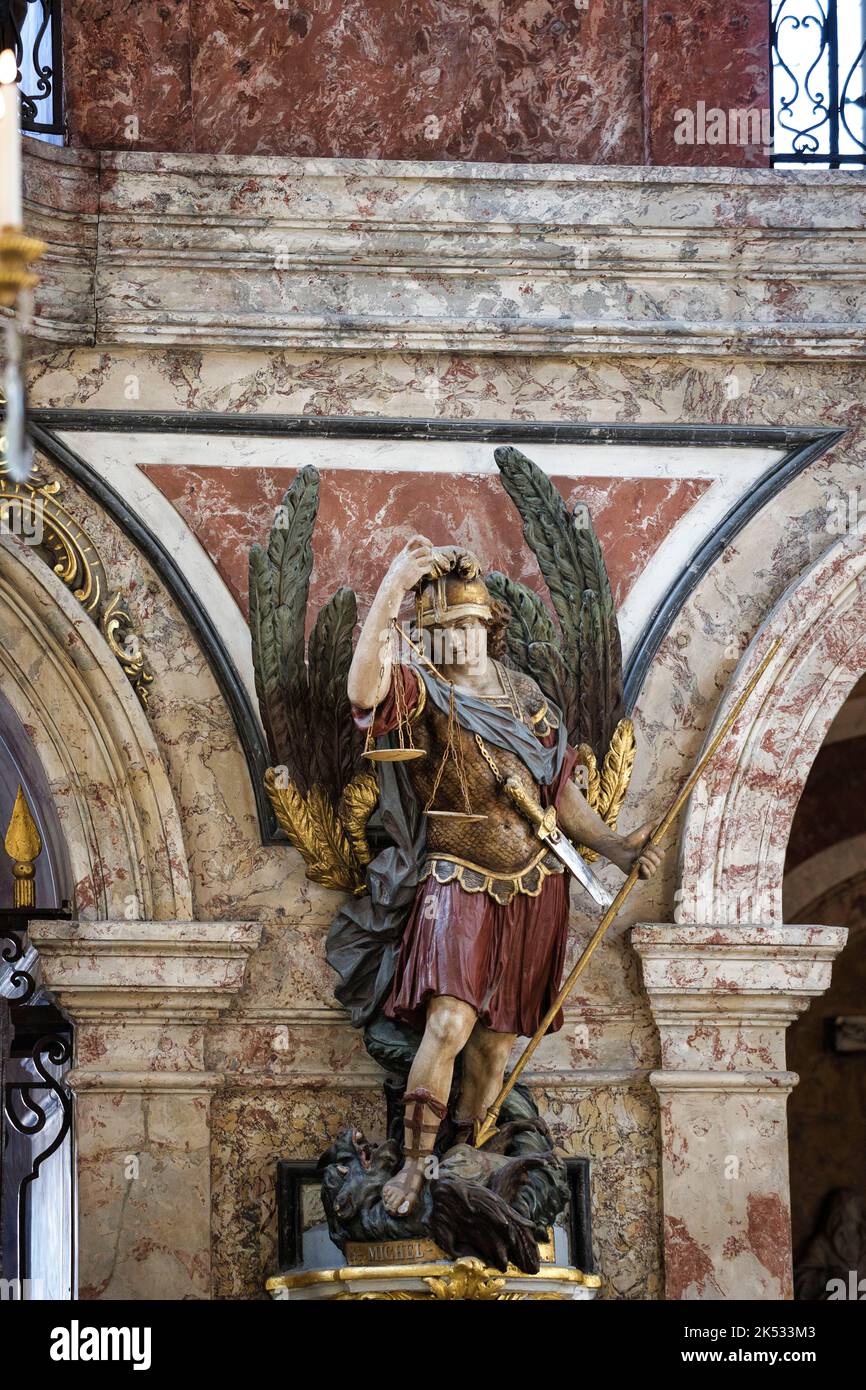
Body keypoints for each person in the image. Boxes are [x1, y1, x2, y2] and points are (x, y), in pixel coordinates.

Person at [346, 535, 663, 1216]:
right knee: (449, 1024)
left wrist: (614, 846)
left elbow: (560, 793)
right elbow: (361, 688)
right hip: (456, 877)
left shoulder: (528, 696)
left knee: (493, 1049)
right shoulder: (420, 691)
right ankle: (413, 1164)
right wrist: (393, 589)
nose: (455, 639)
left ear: (490, 629)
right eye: (439, 630)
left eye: (466, 625)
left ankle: (464, 1161)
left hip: (534, 882)